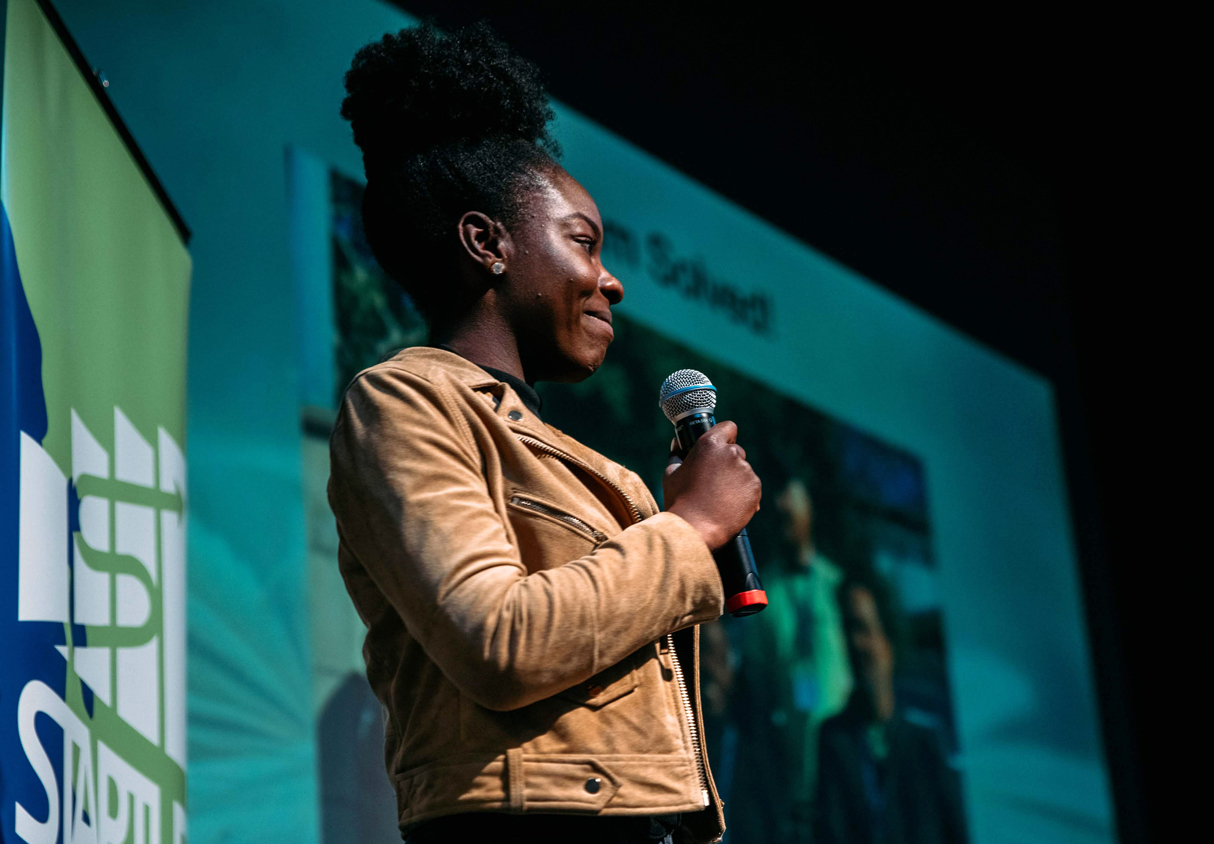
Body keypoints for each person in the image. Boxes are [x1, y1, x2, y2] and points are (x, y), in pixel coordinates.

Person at [327, 22, 761, 844]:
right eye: (584, 243)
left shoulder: (600, 474)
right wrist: (691, 528)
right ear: (487, 243)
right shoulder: (403, 401)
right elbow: (498, 638)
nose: (613, 281)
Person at [727, 480, 852, 843]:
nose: (784, 513)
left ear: (809, 509)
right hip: (794, 778)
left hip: (845, 768)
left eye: (791, 505)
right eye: (778, 509)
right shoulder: (765, 596)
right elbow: (759, 686)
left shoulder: (836, 583)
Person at [814, 584, 965, 844]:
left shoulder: (925, 743)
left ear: (888, 642)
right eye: (848, 629)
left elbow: (954, 829)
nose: (854, 643)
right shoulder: (834, 740)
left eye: (863, 628)